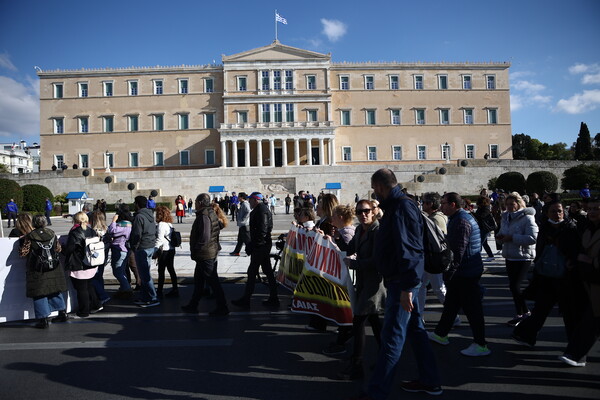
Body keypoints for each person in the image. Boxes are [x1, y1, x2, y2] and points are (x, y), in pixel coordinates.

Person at [353, 168, 441, 398]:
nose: (374, 193)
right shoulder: (396, 206)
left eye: (375, 189)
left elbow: (410, 250)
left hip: (401, 283)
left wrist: (406, 288)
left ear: (380, 187)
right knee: (416, 332)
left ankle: (376, 392)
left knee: (392, 338)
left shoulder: (401, 207)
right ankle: (431, 381)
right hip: (402, 281)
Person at [512, 200, 581, 348]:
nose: (557, 214)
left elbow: (576, 249)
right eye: (554, 211)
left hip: (566, 278)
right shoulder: (545, 228)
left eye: (560, 211)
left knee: (570, 314)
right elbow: (540, 251)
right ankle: (526, 335)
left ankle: (575, 347)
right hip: (547, 277)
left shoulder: (571, 228)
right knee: (540, 310)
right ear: (547, 213)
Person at [429, 192, 491, 357]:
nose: (441, 207)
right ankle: (441, 334)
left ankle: (480, 344)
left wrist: (449, 272)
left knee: (473, 309)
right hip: (466, 270)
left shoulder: (461, 221)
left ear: (453, 205)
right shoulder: (460, 218)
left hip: (465, 272)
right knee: (451, 304)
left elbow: (457, 252)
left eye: (443, 204)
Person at [336, 200, 385, 381]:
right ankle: (386, 358)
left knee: (358, 322)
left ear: (373, 212)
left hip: (374, 284)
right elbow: (350, 249)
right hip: (364, 282)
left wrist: (355, 264)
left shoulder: (378, 231)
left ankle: (356, 365)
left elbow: (378, 261)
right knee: (375, 321)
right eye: (359, 212)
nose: (363, 214)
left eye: (366, 211)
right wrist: (335, 240)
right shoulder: (359, 230)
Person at [560, 196, 600, 367]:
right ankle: (577, 355)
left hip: (597, 279)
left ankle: (576, 354)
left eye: (596, 208)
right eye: (590, 208)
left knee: (592, 320)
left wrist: (592, 261)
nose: (591, 212)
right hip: (590, 280)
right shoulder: (588, 228)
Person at [181, 193, 229, 316]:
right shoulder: (210, 213)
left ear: (201, 202)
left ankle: (222, 307)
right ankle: (193, 305)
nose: (195, 203)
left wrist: (197, 249)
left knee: (213, 281)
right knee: (199, 281)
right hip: (207, 252)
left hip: (205, 253)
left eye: (196, 201)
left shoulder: (204, 216)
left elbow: (205, 236)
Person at [496, 192, 538, 326]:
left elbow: (533, 238)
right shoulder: (505, 217)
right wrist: (500, 237)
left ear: (519, 204)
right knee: (513, 287)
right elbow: (502, 232)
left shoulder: (527, 218)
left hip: (523, 257)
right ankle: (520, 314)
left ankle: (525, 313)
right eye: (507, 204)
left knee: (515, 286)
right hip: (510, 256)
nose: (509, 207)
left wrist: (512, 238)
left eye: (512, 204)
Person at [19, 214, 68, 328]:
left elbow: (23, 253)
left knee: (39, 293)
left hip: (38, 268)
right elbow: (58, 249)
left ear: (34, 223)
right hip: (53, 266)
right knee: (55, 289)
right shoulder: (52, 233)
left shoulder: (30, 236)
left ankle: (43, 319)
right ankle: (62, 313)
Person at [231, 192, 279, 308]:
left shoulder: (261, 210)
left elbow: (263, 230)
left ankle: (247, 299)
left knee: (252, 271)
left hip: (261, 246)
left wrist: (254, 245)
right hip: (261, 245)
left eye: (251, 200)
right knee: (266, 271)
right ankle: (273, 297)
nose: (249, 202)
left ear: (255, 200)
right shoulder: (260, 209)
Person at [416, 192, 453, 324]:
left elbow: (436, 241)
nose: (422, 205)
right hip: (431, 258)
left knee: (439, 288)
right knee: (422, 286)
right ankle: (419, 317)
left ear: (431, 204)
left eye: (424, 202)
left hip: (434, 259)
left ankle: (453, 315)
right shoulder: (436, 217)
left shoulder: (435, 219)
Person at [307, 193, 339, 331]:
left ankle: (322, 323)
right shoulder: (324, 221)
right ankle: (319, 322)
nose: (316, 207)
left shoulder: (328, 223)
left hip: (325, 263)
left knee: (325, 294)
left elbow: (329, 241)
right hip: (321, 262)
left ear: (325, 206)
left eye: (319, 204)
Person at [62, 211, 103, 318]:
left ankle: (84, 311)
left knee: (81, 289)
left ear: (75, 220)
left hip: (78, 264)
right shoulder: (91, 230)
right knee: (89, 285)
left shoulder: (75, 232)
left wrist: (61, 248)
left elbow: (69, 249)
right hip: (90, 262)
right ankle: (96, 304)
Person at [130, 195, 160, 308]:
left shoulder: (139, 217)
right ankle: (144, 296)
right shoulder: (150, 215)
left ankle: (153, 297)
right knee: (144, 273)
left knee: (145, 275)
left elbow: (137, 234)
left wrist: (134, 246)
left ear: (137, 204)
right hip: (150, 246)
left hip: (142, 247)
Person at [108, 204, 133, 299]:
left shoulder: (123, 224)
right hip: (125, 249)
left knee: (117, 271)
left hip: (119, 249)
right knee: (121, 270)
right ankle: (124, 289)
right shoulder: (130, 224)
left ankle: (127, 288)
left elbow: (111, 231)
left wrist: (113, 221)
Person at [154, 205, 178, 298]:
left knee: (161, 270)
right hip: (171, 249)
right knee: (171, 269)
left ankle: (159, 291)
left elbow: (159, 239)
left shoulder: (161, 224)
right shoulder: (169, 224)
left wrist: (155, 250)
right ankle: (175, 289)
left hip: (164, 250)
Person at [90, 210, 111, 305]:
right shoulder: (106, 230)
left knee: (93, 277)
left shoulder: (93, 231)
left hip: (95, 257)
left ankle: (103, 295)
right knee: (99, 276)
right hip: (104, 256)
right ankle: (101, 294)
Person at [474, 196, 496, 261]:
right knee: (484, 243)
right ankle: (491, 255)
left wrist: (473, 214)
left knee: (480, 243)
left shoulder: (486, 208)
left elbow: (482, 216)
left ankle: (477, 256)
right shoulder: (481, 208)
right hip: (482, 227)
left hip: (485, 228)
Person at [230, 192, 250, 256]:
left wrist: (243, 219)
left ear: (241, 197)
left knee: (247, 240)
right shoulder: (242, 204)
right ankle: (236, 251)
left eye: (239, 197)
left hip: (244, 224)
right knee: (240, 239)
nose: (238, 198)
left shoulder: (245, 204)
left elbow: (248, 211)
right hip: (242, 224)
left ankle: (250, 251)